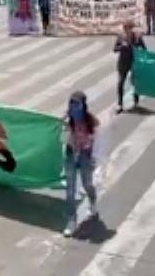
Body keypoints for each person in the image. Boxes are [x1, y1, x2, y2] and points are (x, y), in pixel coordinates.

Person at [62, 91, 99, 237]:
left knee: (87, 184)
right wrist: (66, 130)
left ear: (83, 105)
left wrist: (94, 158)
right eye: (71, 103)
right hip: (71, 155)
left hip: (85, 157)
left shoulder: (91, 121)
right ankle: (71, 221)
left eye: (76, 104)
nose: (73, 107)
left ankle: (93, 202)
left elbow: (98, 140)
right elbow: (62, 140)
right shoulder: (67, 120)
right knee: (70, 190)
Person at [113, 20, 146, 113]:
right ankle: (120, 103)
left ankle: (136, 102)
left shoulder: (137, 37)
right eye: (126, 29)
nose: (128, 31)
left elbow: (144, 49)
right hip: (123, 63)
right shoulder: (120, 37)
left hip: (134, 62)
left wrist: (138, 50)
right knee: (120, 83)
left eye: (130, 28)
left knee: (135, 82)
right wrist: (121, 47)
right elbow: (115, 49)